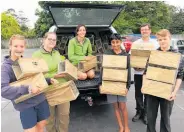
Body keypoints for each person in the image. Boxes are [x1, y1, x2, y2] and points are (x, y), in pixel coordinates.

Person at [1, 34, 54, 132]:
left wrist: (48, 80)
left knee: (41, 127)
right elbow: (3, 90)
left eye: (21, 46)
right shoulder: (6, 67)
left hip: (40, 99)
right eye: (16, 46)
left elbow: (35, 78)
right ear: (10, 47)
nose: (19, 49)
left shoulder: (26, 61)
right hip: (26, 105)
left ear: (24, 47)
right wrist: (27, 88)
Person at [146, 29, 183, 132]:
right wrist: (144, 87)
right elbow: (146, 72)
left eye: (164, 39)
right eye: (160, 39)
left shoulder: (177, 56)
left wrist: (174, 92)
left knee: (165, 120)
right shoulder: (153, 54)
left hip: (168, 92)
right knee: (150, 119)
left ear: (169, 39)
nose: (162, 41)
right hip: (152, 91)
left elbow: (179, 76)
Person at [32, 32, 70, 132]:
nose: (52, 41)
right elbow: (36, 75)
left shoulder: (56, 53)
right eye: (49, 39)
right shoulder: (37, 55)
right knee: (49, 117)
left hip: (62, 86)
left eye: (54, 40)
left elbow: (62, 66)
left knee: (64, 115)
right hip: (47, 89)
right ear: (44, 40)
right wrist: (53, 76)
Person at [131, 23, 159, 124]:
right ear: (140, 31)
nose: (144, 31)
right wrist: (134, 65)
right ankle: (139, 112)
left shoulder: (155, 43)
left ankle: (146, 113)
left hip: (150, 73)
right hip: (138, 73)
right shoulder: (136, 43)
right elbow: (132, 57)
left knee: (147, 94)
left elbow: (158, 58)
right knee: (138, 94)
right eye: (142, 30)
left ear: (150, 31)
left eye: (146, 29)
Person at [103, 33, 131, 132]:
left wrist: (127, 86)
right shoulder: (107, 54)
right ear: (111, 43)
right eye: (113, 42)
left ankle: (126, 126)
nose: (115, 44)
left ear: (120, 42)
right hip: (110, 83)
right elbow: (103, 70)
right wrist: (100, 84)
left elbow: (128, 72)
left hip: (121, 84)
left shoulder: (126, 55)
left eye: (117, 42)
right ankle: (121, 126)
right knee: (115, 106)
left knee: (122, 106)